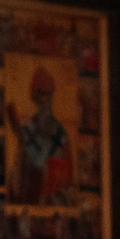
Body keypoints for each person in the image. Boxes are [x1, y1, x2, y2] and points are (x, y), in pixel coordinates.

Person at [13, 64, 73, 206]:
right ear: (35, 97)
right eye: (42, 94)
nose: (46, 100)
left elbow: (69, 175)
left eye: (48, 95)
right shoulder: (27, 131)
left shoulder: (60, 133)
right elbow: (17, 174)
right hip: (30, 202)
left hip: (54, 203)